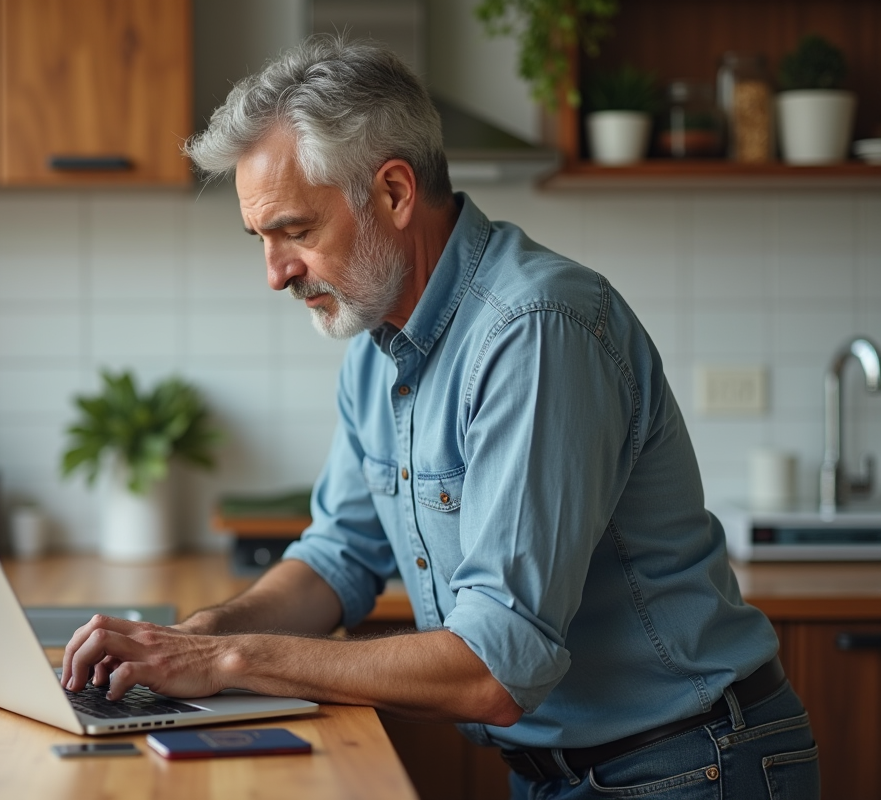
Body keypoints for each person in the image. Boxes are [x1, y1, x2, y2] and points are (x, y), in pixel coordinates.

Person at [61, 36, 820, 798]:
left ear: (393, 193)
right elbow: (339, 560)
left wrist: (231, 663)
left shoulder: (534, 330)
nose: (275, 272)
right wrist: (200, 635)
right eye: (261, 239)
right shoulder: (375, 342)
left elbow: (498, 666)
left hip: (688, 766)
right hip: (577, 772)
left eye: (296, 230)